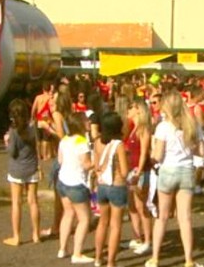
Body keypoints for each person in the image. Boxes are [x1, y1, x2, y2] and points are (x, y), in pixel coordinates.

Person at [145, 91, 204, 267]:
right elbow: (201, 152)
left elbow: (157, 155)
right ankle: (188, 260)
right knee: (184, 218)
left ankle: (155, 258)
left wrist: (152, 152)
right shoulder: (193, 125)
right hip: (186, 170)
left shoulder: (163, 127)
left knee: (162, 217)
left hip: (168, 170)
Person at [57, 112, 94, 264]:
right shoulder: (81, 141)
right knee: (84, 219)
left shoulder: (64, 140)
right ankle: (77, 253)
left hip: (63, 180)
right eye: (86, 120)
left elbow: (60, 160)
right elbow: (86, 164)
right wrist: (98, 163)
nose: (89, 123)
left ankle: (62, 248)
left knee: (67, 214)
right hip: (76, 183)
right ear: (80, 123)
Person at [3, 99, 40, 246]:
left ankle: (16, 236)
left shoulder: (13, 132)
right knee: (33, 202)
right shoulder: (32, 128)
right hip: (31, 167)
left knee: (16, 203)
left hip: (17, 169)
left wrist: (6, 141)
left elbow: (12, 152)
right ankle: (36, 234)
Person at [94, 112, 129, 267]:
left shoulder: (97, 142)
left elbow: (96, 166)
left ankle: (97, 257)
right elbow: (124, 171)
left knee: (102, 223)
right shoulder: (119, 145)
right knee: (115, 225)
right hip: (116, 185)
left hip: (102, 185)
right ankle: (111, 262)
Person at [124, 99, 153, 255]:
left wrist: (139, 170)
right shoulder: (132, 129)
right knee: (132, 207)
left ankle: (148, 240)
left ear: (138, 110)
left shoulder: (143, 129)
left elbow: (144, 152)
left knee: (142, 206)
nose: (128, 110)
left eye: (131, 108)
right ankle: (138, 236)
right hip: (130, 169)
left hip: (139, 170)